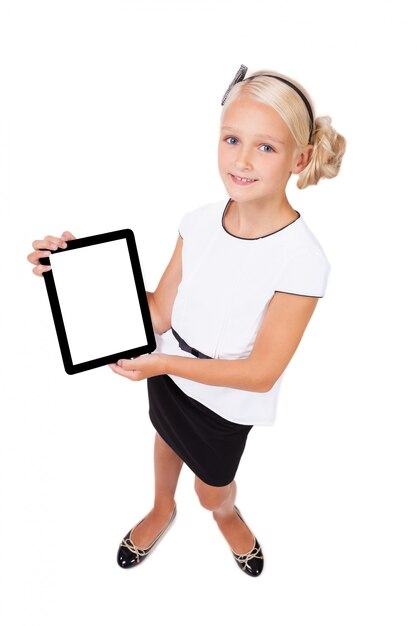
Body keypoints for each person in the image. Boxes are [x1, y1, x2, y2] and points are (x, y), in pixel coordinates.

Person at [27, 64, 346, 578]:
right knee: (165, 437)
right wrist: (67, 273)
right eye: (232, 139)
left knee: (210, 486)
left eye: (266, 147)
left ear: (300, 158)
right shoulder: (197, 222)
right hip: (169, 371)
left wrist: (163, 364)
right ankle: (160, 507)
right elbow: (158, 312)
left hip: (225, 400)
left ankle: (224, 513)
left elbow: (260, 373)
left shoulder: (302, 260)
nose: (242, 160)